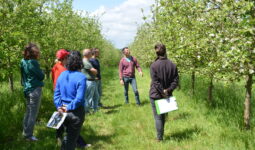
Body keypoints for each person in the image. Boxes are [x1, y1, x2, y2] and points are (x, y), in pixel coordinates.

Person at [52, 49, 91, 148]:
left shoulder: (62, 75)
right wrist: (68, 107)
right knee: (71, 141)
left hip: (62, 112)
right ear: (79, 62)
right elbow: (79, 99)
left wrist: (59, 107)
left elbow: (56, 94)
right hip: (75, 113)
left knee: (67, 138)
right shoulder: (81, 77)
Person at [149, 43, 179, 141]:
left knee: (158, 117)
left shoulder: (153, 65)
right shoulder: (172, 65)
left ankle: (159, 138)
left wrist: (162, 91)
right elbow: (175, 81)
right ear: (165, 51)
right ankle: (160, 135)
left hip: (156, 95)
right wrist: (168, 90)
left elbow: (155, 82)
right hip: (166, 95)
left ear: (156, 53)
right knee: (162, 116)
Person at [20, 43, 44, 141]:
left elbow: (23, 75)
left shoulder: (22, 61)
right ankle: (29, 136)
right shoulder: (33, 63)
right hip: (35, 89)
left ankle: (25, 131)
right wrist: (41, 71)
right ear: (34, 53)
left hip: (27, 89)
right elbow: (41, 76)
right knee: (33, 113)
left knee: (28, 111)